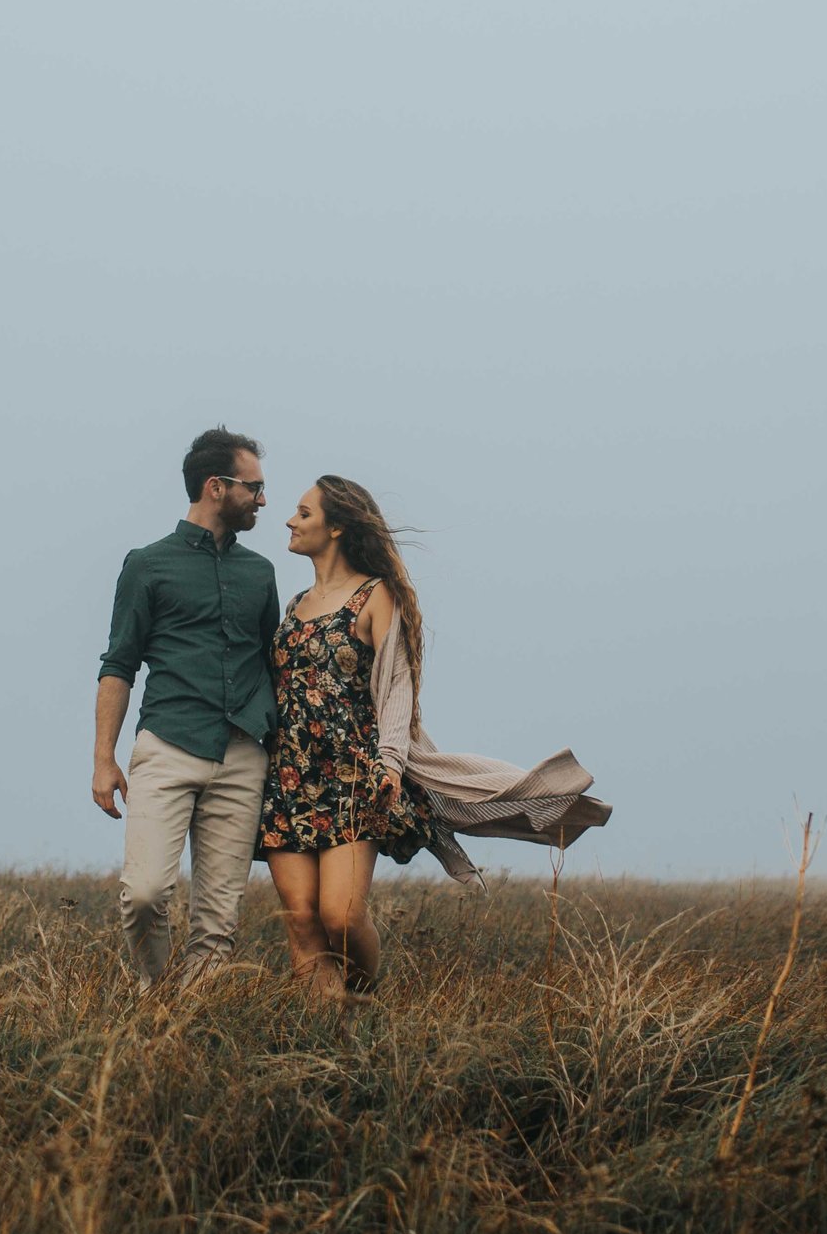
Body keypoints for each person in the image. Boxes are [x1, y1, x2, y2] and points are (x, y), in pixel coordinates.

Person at [260, 475, 608, 1003]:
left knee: (343, 917)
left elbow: (398, 687)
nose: (289, 519)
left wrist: (391, 763)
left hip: (356, 779)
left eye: (303, 513)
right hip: (288, 777)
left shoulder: (377, 595)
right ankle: (327, 1043)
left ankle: (363, 1004)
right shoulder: (294, 605)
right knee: (303, 924)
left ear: (336, 527)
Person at [92, 427, 281, 989]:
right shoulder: (147, 565)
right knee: (146, 893)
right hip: (169, 745)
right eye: (255, 487)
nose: (264, 501)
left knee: (217, 922)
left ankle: (190, 1027)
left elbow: (273, 663)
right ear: (216, 487)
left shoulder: (260, 573)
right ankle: (156, 1000)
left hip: (244, 754)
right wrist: (104, 760)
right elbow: (118, 665)